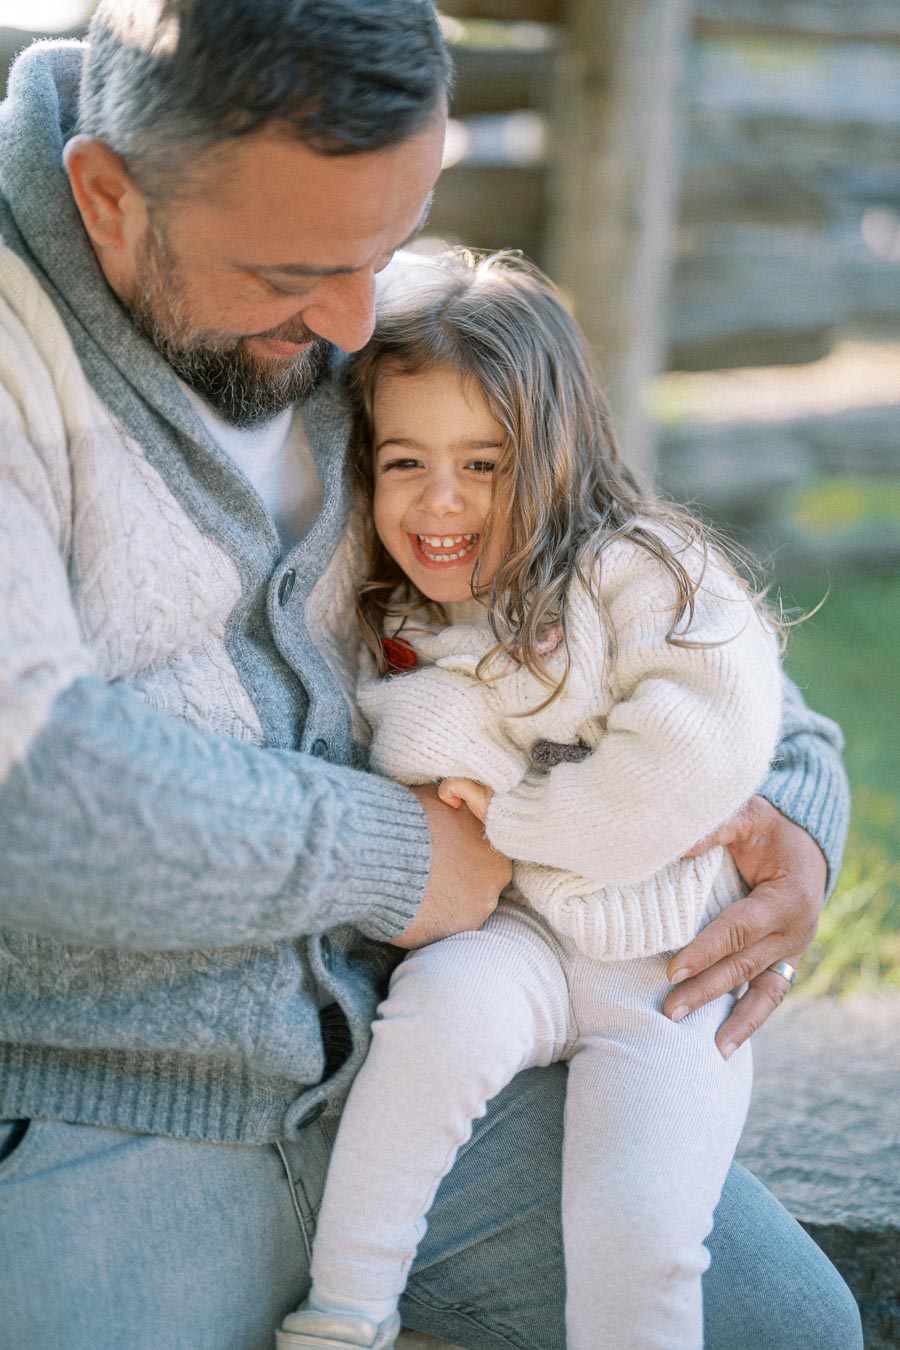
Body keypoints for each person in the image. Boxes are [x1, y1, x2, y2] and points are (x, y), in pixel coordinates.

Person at [0, 4, 859, 1349]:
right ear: (108, 199)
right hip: (104, 1109)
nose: (357, 320)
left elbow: (641, 594)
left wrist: (797, 804)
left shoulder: (355, 295)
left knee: (787, 1328)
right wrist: (397, 853)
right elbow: (28, 783)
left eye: (387, 248)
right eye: (298, 271)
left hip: (425, 1048)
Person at [273, 249, 790, 1349]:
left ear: (557, 456)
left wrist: (516, 816)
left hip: (672, 965)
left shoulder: (646, 570)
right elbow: (411, 733)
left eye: (486, 464)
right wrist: (473, 773)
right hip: (519, 942)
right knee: (432, 1024)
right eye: (405, 461)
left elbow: (698, 745)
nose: (441, 500)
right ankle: (346, 1309)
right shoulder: (399, 613)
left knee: (643, 1230)